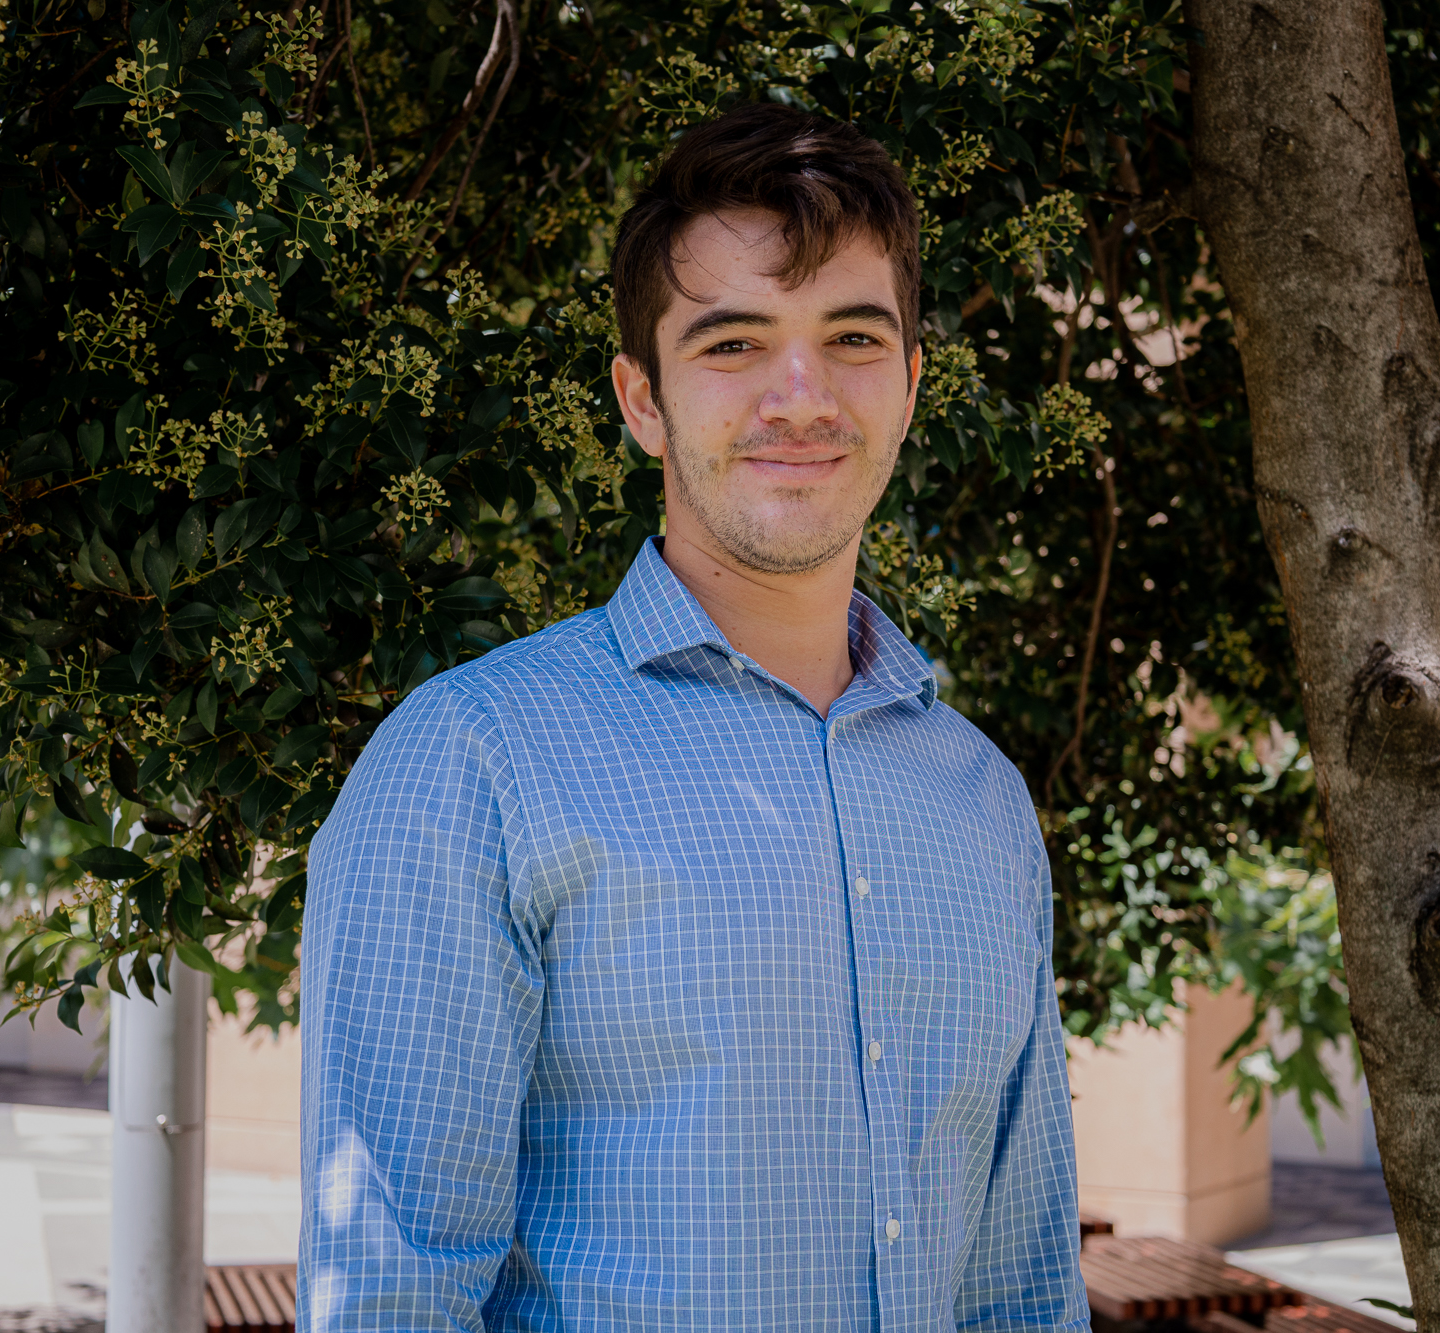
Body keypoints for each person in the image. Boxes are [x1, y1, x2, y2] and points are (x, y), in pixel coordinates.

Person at [299, 101, 1089, 1332]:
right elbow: (391, 1293)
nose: (799, 392)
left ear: (911, 381)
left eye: (851, 336)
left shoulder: (978, 795)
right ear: (641, 399)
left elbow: (1019, 1287)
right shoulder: (472, 763)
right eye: (731, 343)